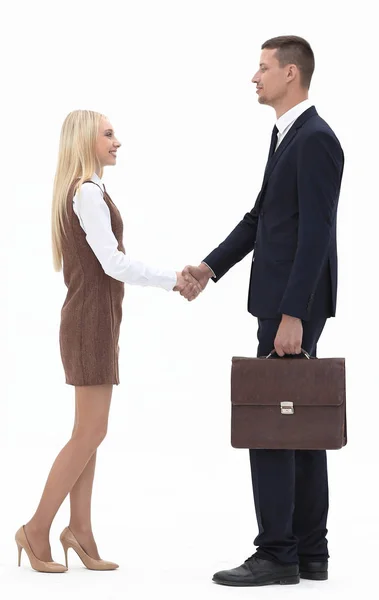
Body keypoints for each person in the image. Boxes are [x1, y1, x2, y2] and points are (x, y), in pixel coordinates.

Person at [182, 35, 344, 586]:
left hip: (290, 307)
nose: (254, 78)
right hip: (284, 303)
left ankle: (277, 553)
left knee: (270, 424)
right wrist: (209, 267)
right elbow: (262, 218)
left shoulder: (315, 139)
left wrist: (292, 314)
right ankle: (310, 551)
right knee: (301, 424)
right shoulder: (289, 137)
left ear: (291, 75)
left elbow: (318, 231)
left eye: (262, 68)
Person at [15, 110, 200, 573]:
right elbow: (114, 264)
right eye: (109, 134)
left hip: (95, 320)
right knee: (89, 432)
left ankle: (80, 530)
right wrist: (171, 279)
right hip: (89, 323)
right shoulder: (87, 193)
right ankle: (35, 529)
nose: (118, 141)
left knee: (89, 434)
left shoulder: (83, 191)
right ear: (86, 140)